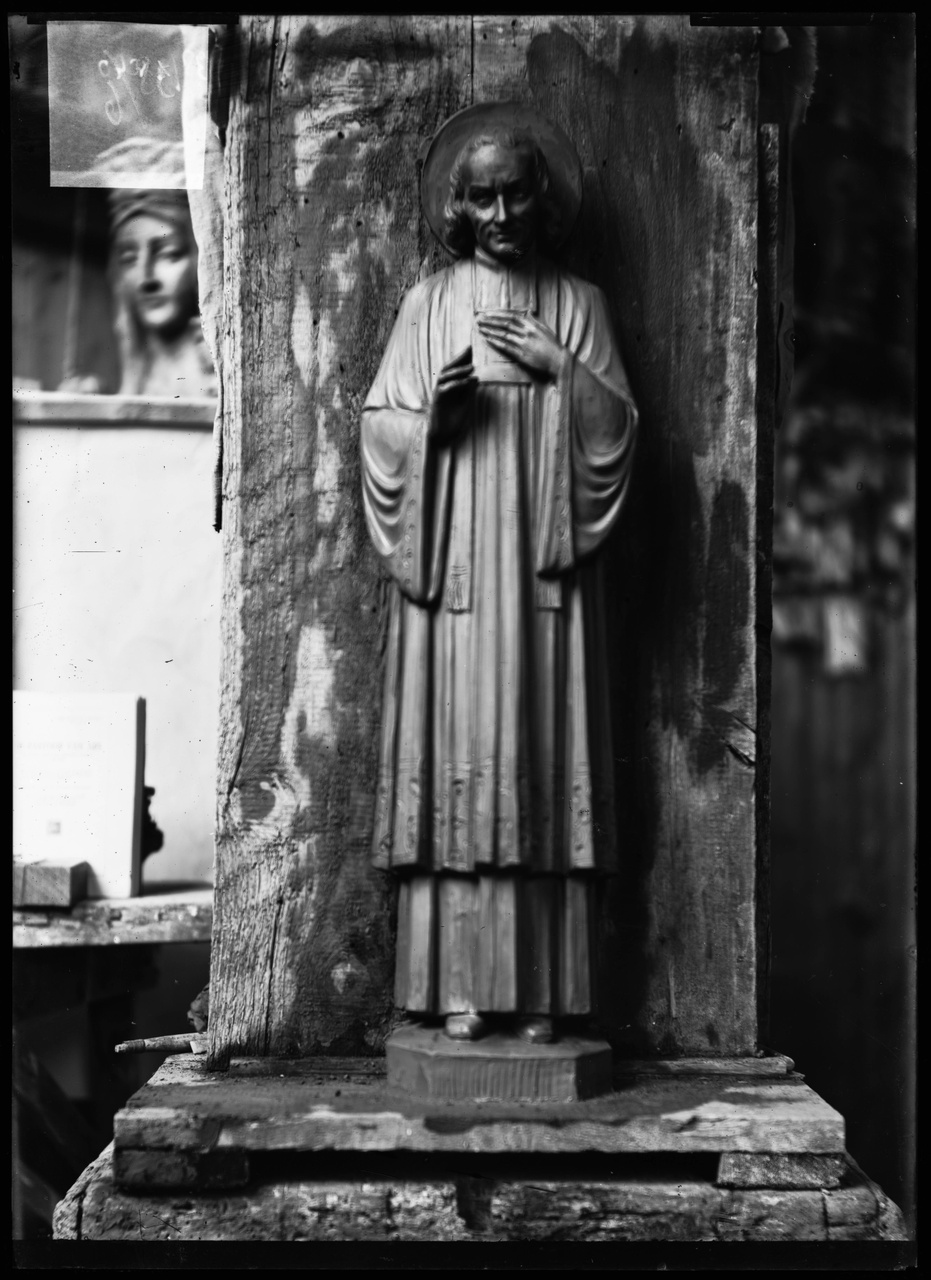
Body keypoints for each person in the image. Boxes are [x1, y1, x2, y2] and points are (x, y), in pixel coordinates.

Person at [360, 104, 638, 1044]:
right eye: (481, 198)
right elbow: (378, 431)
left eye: (516, 192)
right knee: (457, 766)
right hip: (455, 591)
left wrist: (563, 371)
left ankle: (546, 1002)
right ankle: (457, 993)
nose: (502, 214)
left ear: (541, 196)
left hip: (544, 587)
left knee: (543, 763)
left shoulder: (579, 304)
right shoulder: (429, 305)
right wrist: (428, 423)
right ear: (457, 206)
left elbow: (617, 438)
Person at [60, 138, 216, 398]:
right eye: (129, 259)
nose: (146, 279)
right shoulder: (128, 382)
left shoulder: (217, 386)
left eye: (168, 254)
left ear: (199, 259)